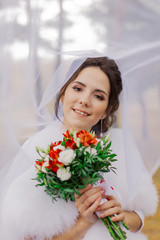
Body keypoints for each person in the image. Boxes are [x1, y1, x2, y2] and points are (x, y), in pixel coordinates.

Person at [0, 57, 158, 240]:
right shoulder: (38, 150)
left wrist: (121, 215)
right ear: (63, 93)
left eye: (98, 96)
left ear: (108, 109)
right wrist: (84, 222)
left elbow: (139, 218)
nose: (84, 100)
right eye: (77, 88)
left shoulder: (117, 145)